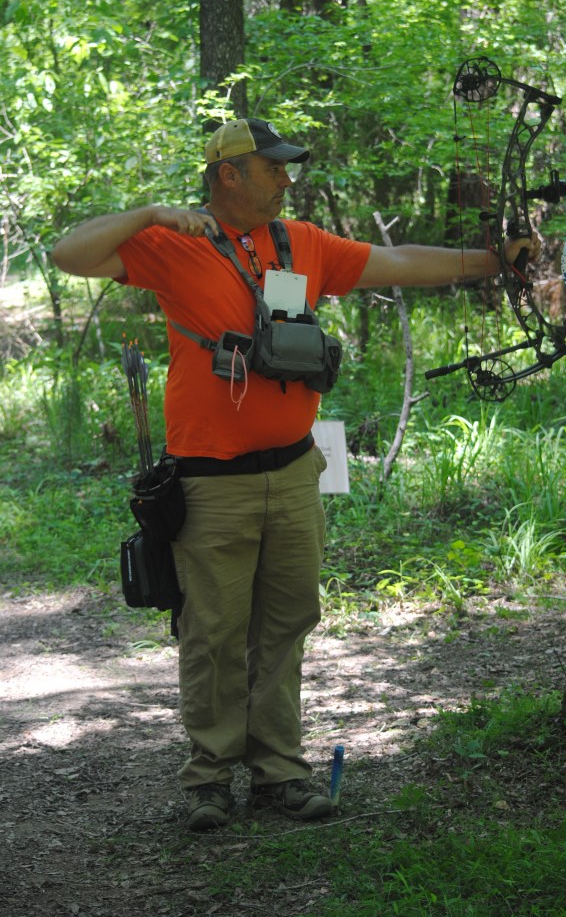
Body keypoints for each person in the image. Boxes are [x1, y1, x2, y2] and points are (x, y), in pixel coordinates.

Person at [52, 117, 534, 832]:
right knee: (213, 633)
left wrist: (491, 260)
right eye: (273, 167)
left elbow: (399, 262)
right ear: (228, 174)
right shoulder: (172, 242)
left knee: (285, 625)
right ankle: (209, 779)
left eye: (287, 168)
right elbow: (67, 253)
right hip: (210, 483)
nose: (286, 178)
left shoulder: (299, 242)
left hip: (295, 470)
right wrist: (151, 213)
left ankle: (279, 770)